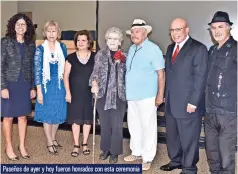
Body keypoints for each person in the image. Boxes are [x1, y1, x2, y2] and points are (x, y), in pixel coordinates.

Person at [159, 18, 208, 174]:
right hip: (171, 103)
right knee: (172, 136)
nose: (175, 34)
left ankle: (189, 168)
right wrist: (165, 95)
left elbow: (201, 77)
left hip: (189, 104)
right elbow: (169, 74)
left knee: (189, 138)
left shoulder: (198, 48)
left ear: (187, 30)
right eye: (172, 30)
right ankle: (176, 160)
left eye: (178, 29)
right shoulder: (170, 48)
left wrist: (194, 102)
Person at [123, 19, 165, 171]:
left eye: (138, 31)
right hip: (132, 96)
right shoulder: (132, 49)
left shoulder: (153, 49)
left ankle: (147, 157)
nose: (134, 34)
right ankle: (137, 152)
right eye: (132, 32)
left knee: (148, 127)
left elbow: (161, 74)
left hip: (148, 96)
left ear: (145, 33)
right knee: (134, 126)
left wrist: (160, 95)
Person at [205, 11, 237, 174]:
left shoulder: (236, 49)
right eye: (213, 28)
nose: (216, 31)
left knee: (226, 155)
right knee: (212, 153)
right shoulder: (211, 50)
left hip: (228, 112)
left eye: (220, 27)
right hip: (210, 110)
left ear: (229, 28)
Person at [1, 13, 36, 161]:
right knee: (8, 117)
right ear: (13, 26)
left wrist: (33, 87)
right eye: (18, 24)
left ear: (27, 27)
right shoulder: (5, 42)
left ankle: (21, 145)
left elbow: (32, 67)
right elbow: (0, 65)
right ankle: (8, 146)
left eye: (23, 24)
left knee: (22, 117)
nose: (21, 27)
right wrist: (2, 86)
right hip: (9, 84)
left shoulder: (30, 44)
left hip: (25, 84)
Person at [90, 27, 127, 164]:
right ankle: (105, 149)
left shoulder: (125, 56)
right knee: (104, 124)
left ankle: (115, 152)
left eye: (115, 38)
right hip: (103, 95)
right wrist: (94, 83)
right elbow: (95, 72)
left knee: (116, 125)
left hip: (118, 96)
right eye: (110, 38)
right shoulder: (100, 54)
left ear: (120, 41)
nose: (112, 41)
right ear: (106, 40)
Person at [34, 21, 67, 155]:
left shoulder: (63, 47)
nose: (51, 34)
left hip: (60, 85)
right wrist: (39, 91)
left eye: (54, 31)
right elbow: (37, 71)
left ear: (58, 33)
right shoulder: (40, 49)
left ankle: (53, 139)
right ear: (45, 33)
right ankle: (49, 141)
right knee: (47, 114)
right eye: (49, 31)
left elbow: (66, 68)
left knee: (57, 112)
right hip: (45, 86)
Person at [64, 30, 95, 157]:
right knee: (76, 120)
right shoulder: (70, 57)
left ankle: (85, 143)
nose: (80, 42)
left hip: (89, 93)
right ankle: (76, 144)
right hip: (74, 93)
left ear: (89, 42)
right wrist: (68, 93)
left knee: (87, 119)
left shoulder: (95, 56)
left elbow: (98, 74)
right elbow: (65, 76)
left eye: (83, 40)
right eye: (78, 40)